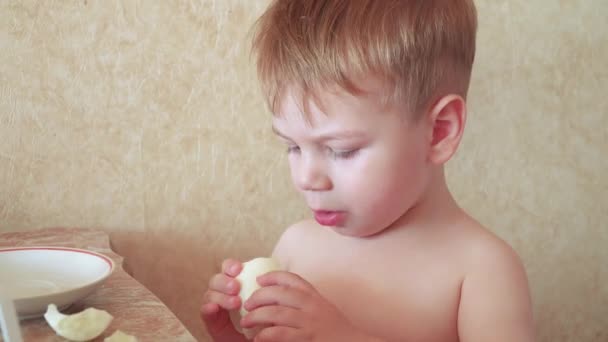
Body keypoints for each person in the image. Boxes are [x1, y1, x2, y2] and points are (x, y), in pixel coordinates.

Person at [201, 1, 535, 341]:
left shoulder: (482, 270)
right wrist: (233, 336)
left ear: (439, 132)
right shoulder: (296, 247)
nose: (306, 178)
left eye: (341, 150)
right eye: (293, 147)